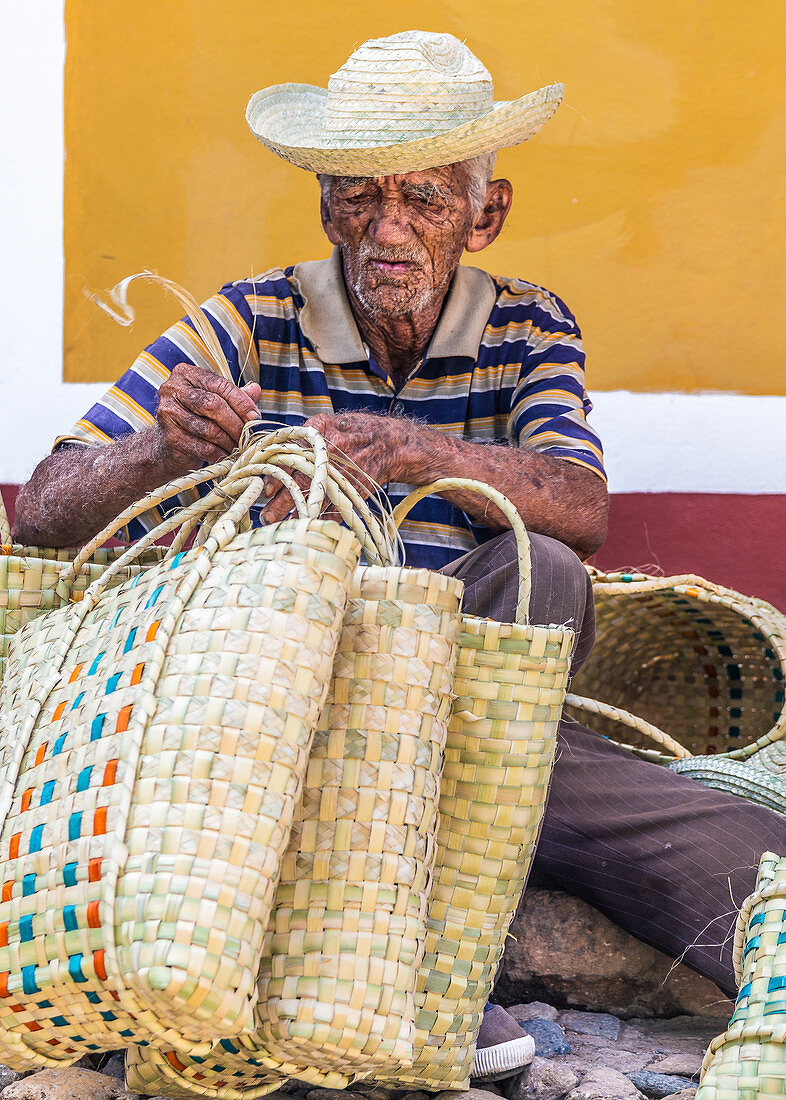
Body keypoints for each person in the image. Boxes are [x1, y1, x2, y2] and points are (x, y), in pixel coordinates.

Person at [14, 29, 786, 1082]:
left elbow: (582, 503)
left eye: (425, 198)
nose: (387, 229)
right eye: (357, 195)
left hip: (466, 669)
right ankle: (455, 943)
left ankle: (408, 926)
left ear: (486, 211)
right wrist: (161, 447)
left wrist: (421, 448)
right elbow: (44, 509)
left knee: (545, 571)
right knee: (328, 563)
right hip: (286, 701)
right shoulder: (247, 318)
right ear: (325, 201)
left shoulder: (527, 326)